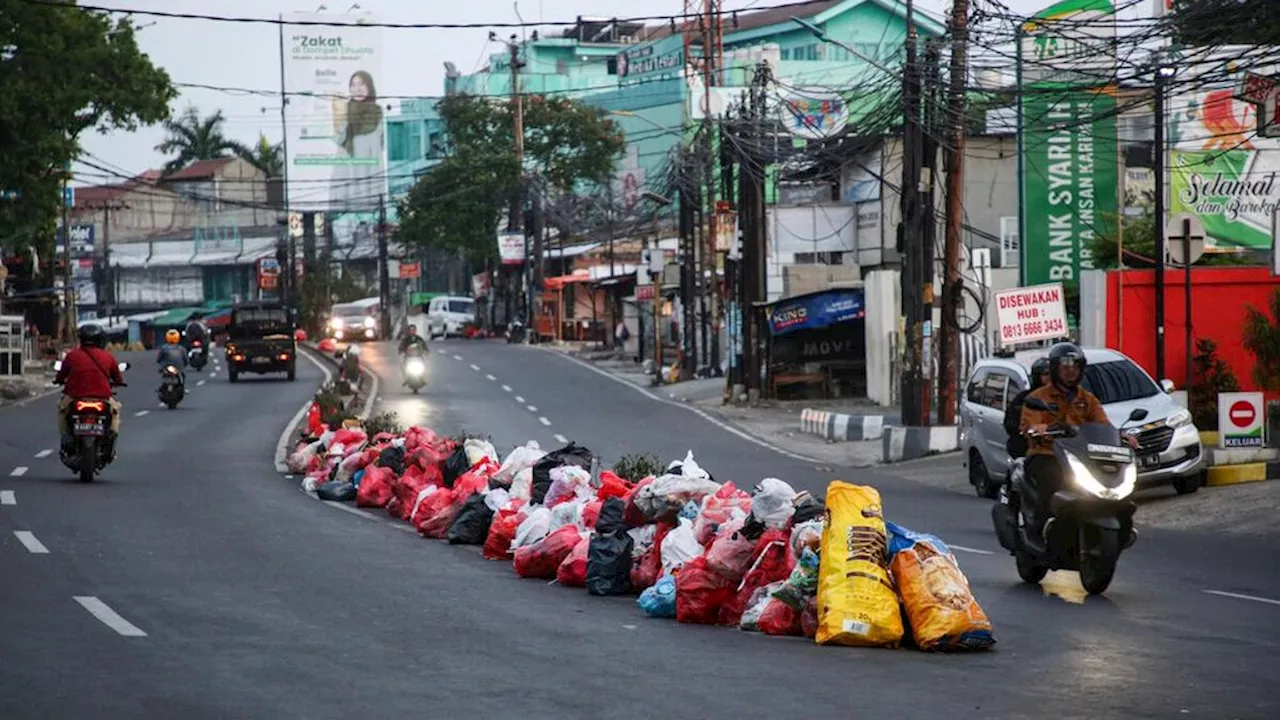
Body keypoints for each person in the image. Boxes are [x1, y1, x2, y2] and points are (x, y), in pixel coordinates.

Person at [1018, 343, 1110, 543]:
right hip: (1046, 453)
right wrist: (1039, 429)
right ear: (1055, 369)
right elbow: (1029, 425)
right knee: (1051, 479)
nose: (1070, 371)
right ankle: (1042, 528)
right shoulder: (1037, 397)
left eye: (1075, 366)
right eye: (1065, 367)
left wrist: (1123, 437)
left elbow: (1103, 425)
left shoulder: (1088, 399)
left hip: (1080, 456)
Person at [54, 324, 125, 454]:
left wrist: (59, 380)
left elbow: (61, 375)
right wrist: (119, 382)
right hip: (102, 397)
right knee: (115, 411)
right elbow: (118, 378)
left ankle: (65, 436)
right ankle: (111, 436)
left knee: (62, 410)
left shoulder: (72, 356)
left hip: (75, 396)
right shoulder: (108, 357)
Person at [1004, 358, 1050, 459]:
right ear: (1037, 376)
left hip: (1057, 448)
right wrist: (1031, 428)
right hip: (1030, 448)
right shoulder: (1024, 398)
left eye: (1052, 374)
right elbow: (1010, 423)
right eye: (1046, 374)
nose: (1049, 378)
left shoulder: (1063, 396)